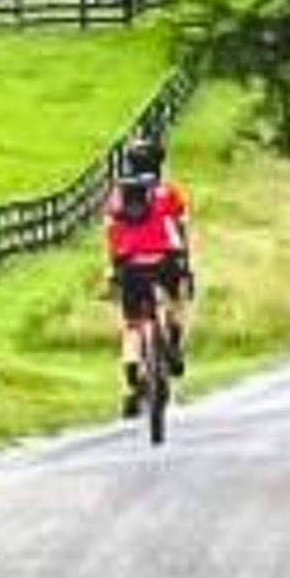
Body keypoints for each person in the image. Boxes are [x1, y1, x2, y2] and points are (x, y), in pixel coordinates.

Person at [104, 129, 195, 401]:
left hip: (129, 262)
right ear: (158, 163)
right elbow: (181, 224)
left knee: (132, 323)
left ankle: (132, 368)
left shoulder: (119, 193)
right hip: (166, 257)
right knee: (175, 300)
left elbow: (110, 229)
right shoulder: (168, 192)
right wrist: (185, 261)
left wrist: (113, 266)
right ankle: (174, 347)